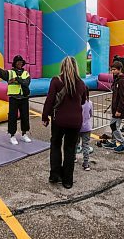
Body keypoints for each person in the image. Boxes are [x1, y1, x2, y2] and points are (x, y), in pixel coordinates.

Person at [41, 56, 87, 189]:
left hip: (59, 120)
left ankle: (55, 175)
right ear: (76, 67)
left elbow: (49, 100)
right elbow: (83, 101)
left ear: (62, 67)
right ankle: (68, 180)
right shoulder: (81, 83)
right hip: (75, 121)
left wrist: (45, 117)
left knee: (55, 145)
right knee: (70, 149)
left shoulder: (56, 81)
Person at [0, 55, 32, 145]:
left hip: (24, 98)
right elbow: (2, 73)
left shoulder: (26, 73)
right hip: (14, 98)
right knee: (12, 117)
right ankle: (12, 135)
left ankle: (24, 134)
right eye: (18, 61)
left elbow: (26, 83)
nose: (20, 63)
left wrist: (16, 79)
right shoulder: (10, 73)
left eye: (21, 61)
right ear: (15, 63)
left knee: (25, 116)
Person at [101, 61, 124, 153]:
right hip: (115, 108)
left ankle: (123, 143)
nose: (112, 71)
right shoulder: (117, 79)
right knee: (114, 125)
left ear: (119, 69)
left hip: (119, 109)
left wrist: (119, 110)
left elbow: (123, 97)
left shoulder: (122, 81)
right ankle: (113, 142)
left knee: (114, 126)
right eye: (111, 70)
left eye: (114, 70)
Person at [78, 94, 93, 171]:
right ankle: (86, 163)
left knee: (75, 144)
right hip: (87, 127)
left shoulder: (77, 103)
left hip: (77, 126)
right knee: (86, 145)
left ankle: (73, 158)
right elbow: (91, 114)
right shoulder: (89, 103)